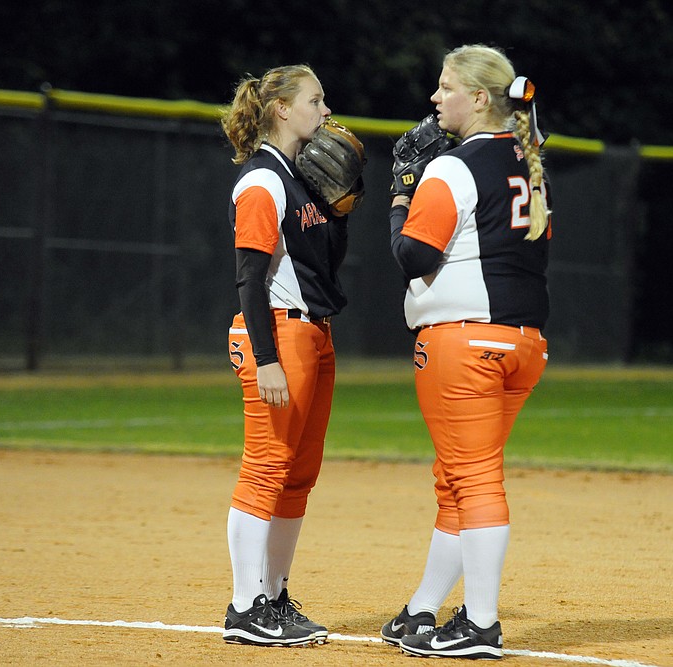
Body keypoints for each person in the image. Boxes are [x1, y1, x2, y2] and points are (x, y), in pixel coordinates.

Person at [381, 44, 552, 660]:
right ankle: (422, 609)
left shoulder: (453, 167)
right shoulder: (528, 161)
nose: (434, 98)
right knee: (456, 478)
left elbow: (414, 257)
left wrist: (400, 194)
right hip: (523, 342)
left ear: (480, 98)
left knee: (473, 480)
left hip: (466, 340)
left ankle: (480, 622)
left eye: (446, 86)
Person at [219, 64, 349, 647]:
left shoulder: (299, 180)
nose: (325, 112)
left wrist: (342, 206)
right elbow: (249, 279)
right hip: (277, 333)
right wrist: (266, 357)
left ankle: (273, 595)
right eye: (316, 101)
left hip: (315, 334)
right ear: (281, 109)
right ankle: (245, 605)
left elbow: (322, 265)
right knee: (267, 467)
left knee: (298, 475)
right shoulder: (261, 183)